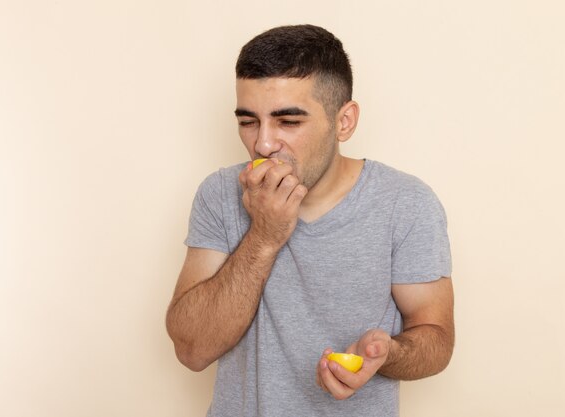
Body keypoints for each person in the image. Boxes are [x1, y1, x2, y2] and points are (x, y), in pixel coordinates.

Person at [166, 24, 454, 417]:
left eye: (288, 121)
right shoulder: (219, 193)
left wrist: (388, 354)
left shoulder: (405, 203)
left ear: (344, 122)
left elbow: (436, 339)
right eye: (248, 121)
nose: (263, 144)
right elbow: (191, 349)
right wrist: (264, 237)